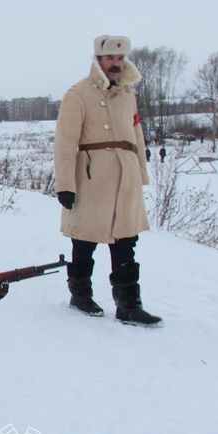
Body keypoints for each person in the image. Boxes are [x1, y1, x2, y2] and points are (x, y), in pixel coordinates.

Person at [53, 35, 162, 327]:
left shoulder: (128, 94)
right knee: (85, 239)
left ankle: (128, 304)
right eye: (111, 58)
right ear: (99, 59)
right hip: (92, 176)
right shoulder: (78, 94)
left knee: (127, 240)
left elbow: (136, 134)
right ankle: (80, 295)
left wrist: (140, 172)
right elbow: (65, 142)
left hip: (125, 177)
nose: (116, 63)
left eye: (120, 58)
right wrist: (65, 184)